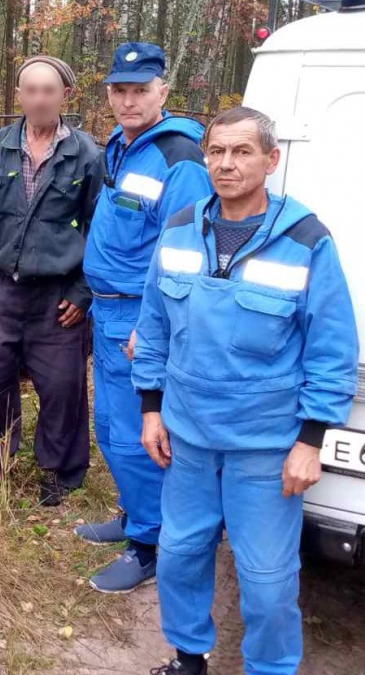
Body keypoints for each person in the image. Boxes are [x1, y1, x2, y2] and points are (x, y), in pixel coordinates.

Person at [133, 107, 359, 675]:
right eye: (216, 152)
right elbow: (154, 323)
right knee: (181, 557)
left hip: (265, 446)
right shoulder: (182, 227)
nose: (226, 164)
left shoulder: (305, 240)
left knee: (265, 579)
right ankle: (189, 658)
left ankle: (271, 668)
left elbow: (331, 349)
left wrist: (311, 440)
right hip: (186, 436)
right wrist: (151, 409)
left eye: (241, 152)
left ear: (271, 160)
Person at [78, 43, 213, 593]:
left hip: (137, 318)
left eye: (140, 90)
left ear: (163, 91)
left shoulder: (180, 156)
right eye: (120, 90)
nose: (129, 100)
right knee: (111, 429)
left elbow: (182, 253)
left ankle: (152, 545)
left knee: (141, 435)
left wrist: (151, 327)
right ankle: (137, 514)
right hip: (105, 310)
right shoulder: (122, 145)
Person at [0, 56, 104, 506]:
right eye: (30, 90)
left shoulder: (87, 154)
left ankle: (61, 473)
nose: (39, 99)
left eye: (48, 90)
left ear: (65, 95)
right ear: (18, 95)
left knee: (62, 388)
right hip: (3, 289)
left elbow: (101, 232)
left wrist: (83, 293)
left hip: (58, 296)